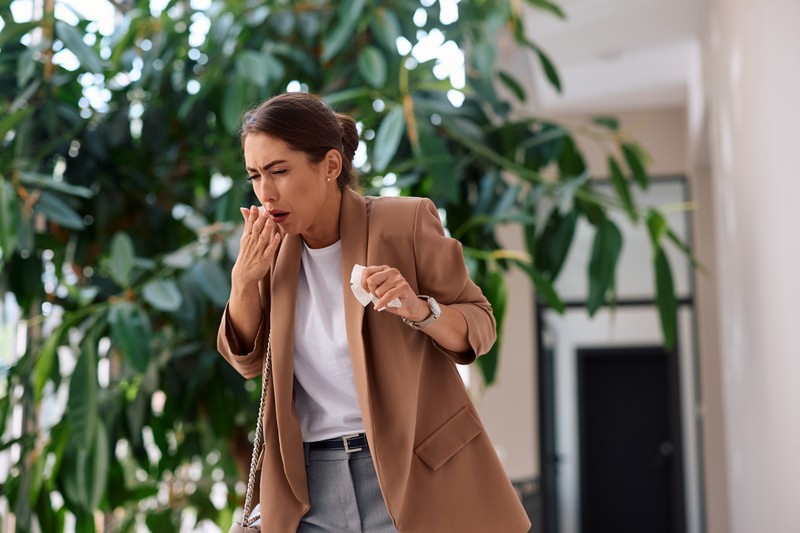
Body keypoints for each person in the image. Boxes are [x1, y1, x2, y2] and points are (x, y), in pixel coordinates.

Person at [217, 92, 531, 533]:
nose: (265, 193)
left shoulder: (405, 223)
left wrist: (420, 309)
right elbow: (247, 361)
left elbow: (479, 325)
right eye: (255, 176)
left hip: (411, 475)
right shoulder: (268, 251)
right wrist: (243, 281)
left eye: (279, 171)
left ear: (330, 165)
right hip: (310, 490)